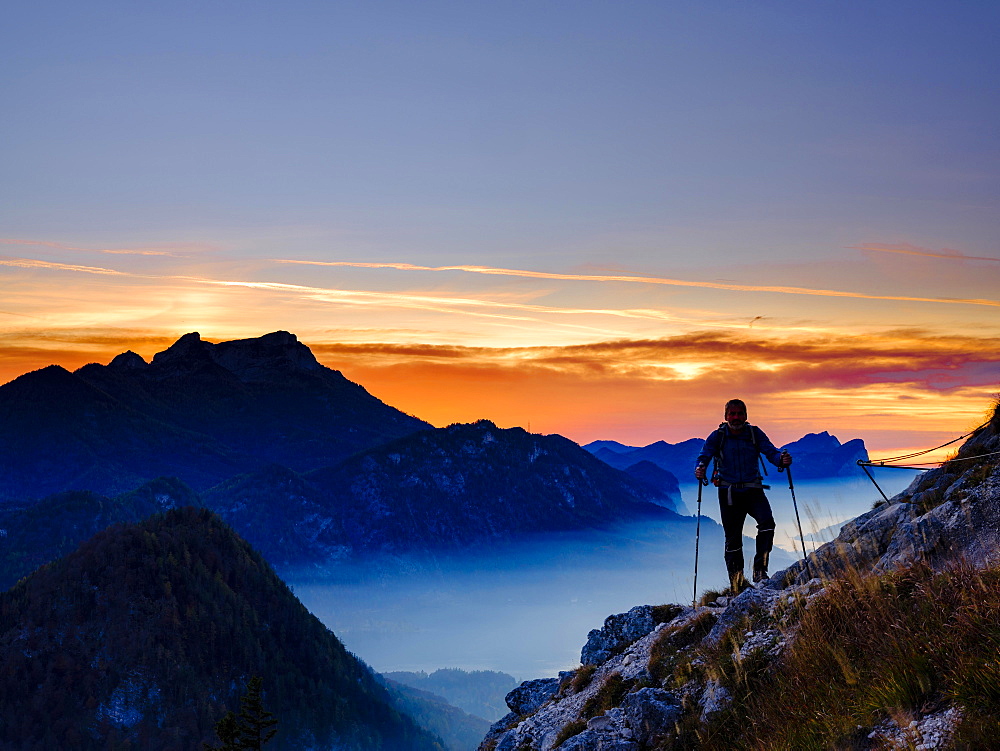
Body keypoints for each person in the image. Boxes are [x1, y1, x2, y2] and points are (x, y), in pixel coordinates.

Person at [694, 399, 791, 592]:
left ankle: (759, 572)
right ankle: (737, 583)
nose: (736, 417)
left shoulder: (754, 433)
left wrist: (781, 459)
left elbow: (770, 452)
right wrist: (700, 467)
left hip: (752, 490)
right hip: (729, 493)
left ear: (746, 416)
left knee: (767, 524)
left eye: (739, 413)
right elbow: (703, 456)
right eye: (732, 414)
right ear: (726, 416)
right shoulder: (718, 436)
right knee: (733, 539)